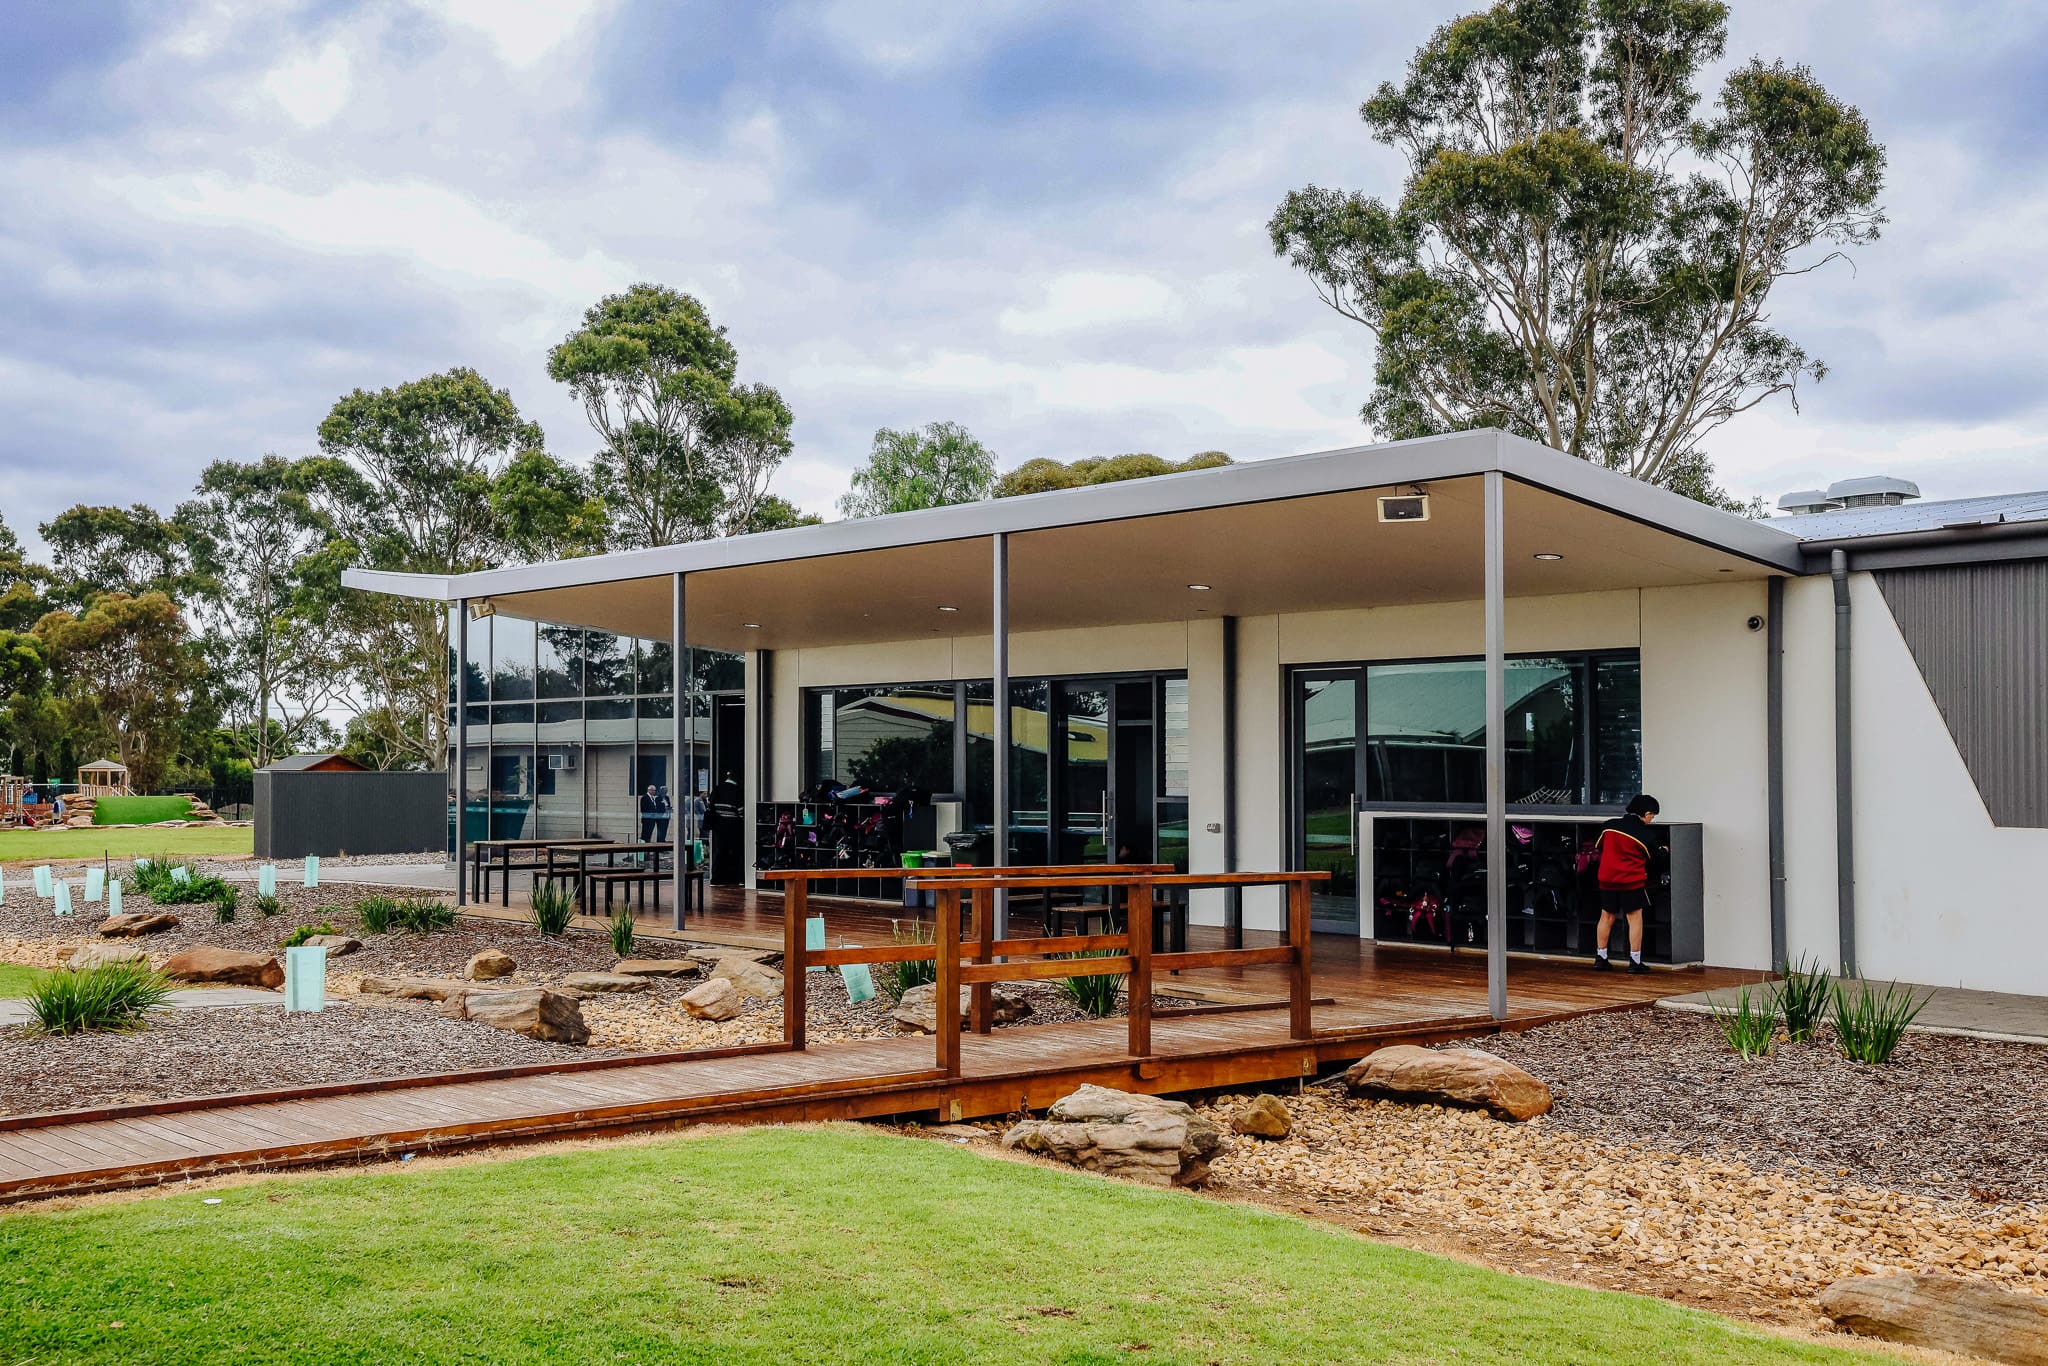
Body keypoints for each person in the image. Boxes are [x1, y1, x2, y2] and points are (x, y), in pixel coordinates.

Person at [1592, 793, 1658, 973]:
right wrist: (1665, 850)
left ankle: (1601, 958)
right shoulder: (1645, 834)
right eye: (1652, 816)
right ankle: (1635, 962)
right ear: (1645, 813)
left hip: (1607, 878)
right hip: (1630, 880)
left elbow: (1598, 846)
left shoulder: (1609, 826)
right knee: (1635, 917)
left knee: (1606, 916)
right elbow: (1654, 857)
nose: (1652, 820)